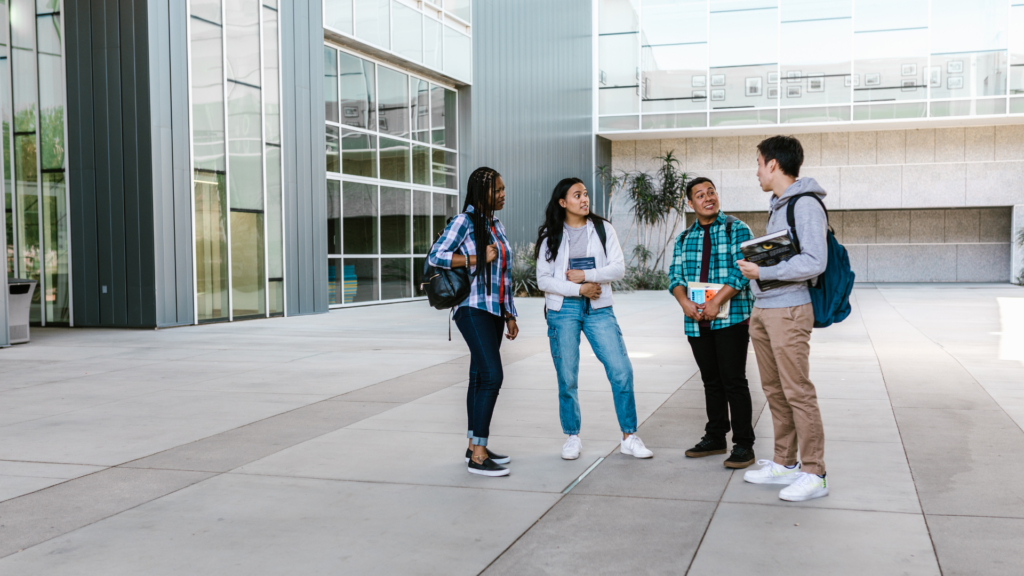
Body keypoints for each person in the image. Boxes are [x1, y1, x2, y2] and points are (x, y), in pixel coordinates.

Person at [737, 135, 830, 502]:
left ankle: (814, 472)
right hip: (766, 308)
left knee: (797, 391)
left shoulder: (805, 204)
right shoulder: (779, 204)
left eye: (759, 163)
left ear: (773, 164)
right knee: (774, 390)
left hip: (789, 309)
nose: (757, 172)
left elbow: (814, 261)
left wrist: (764, 273)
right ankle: (785, 462)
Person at [535, 177, 653, 461]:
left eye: (586, 194)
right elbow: (543, 280)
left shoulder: (602, 228)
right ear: (563, 202)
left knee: (621, 370)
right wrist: (579, 289)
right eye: (577, 195)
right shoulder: (550, 234)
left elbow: (618, 268)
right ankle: (572, 436)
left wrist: (587, 276)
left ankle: (629, 437)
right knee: (568, 377)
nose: (584, 199)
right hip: (563, 311)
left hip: (599, 308)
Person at [428, 167, 519, 477]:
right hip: (472, 308)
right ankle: (478, 457)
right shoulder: (462, 222)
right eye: (497, 190)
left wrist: (509, 314)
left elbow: (504, 274)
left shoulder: (495, 224)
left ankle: (473, 445)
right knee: (492, 376)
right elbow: (436, 256)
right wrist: (475, 258)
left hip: (494, 310)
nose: (503, 194)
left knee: (480, 377)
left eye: (503, 189)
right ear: (482, 194)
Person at [668, 177, 756, 469]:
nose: (708, 198)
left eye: (712, 192)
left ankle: (744, 445)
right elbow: (675, 276)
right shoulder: (683, 238)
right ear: (690, 203)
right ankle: (716, 436)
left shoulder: (736, 228)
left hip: (731, 318)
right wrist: (684, 303)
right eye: (700, 195)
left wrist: (717, 300)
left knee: (734, 381)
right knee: (711, 381)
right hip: (696, 321)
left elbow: (742, 271)